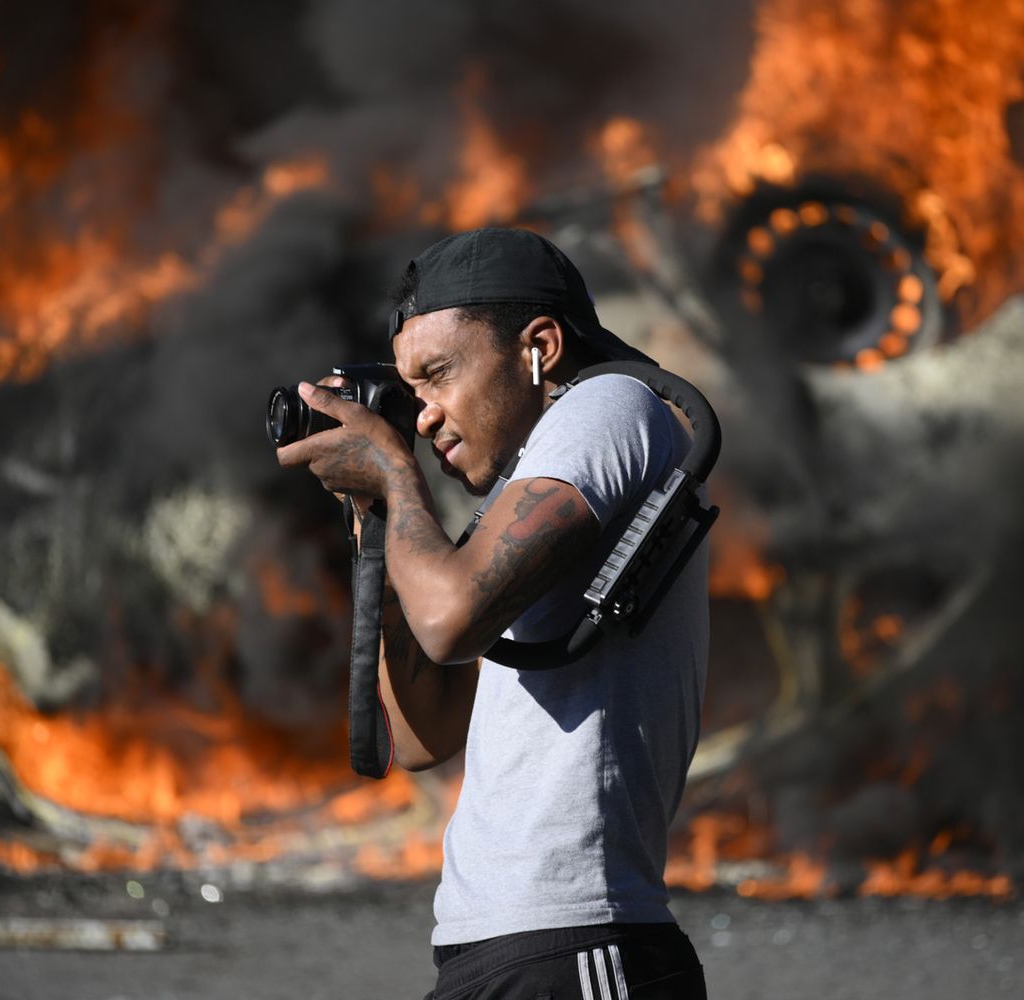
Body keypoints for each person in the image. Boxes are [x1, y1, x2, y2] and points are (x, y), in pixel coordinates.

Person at [276, 227, 710, 999]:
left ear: (538, 348)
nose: (423, 416)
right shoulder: (536, 479)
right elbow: (421, 736)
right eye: (409, 394)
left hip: (576, 946)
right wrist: (377, 517)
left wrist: (392, 474)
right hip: (505, 950)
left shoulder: (608, 405)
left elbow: (449, 621)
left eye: (437, 376)